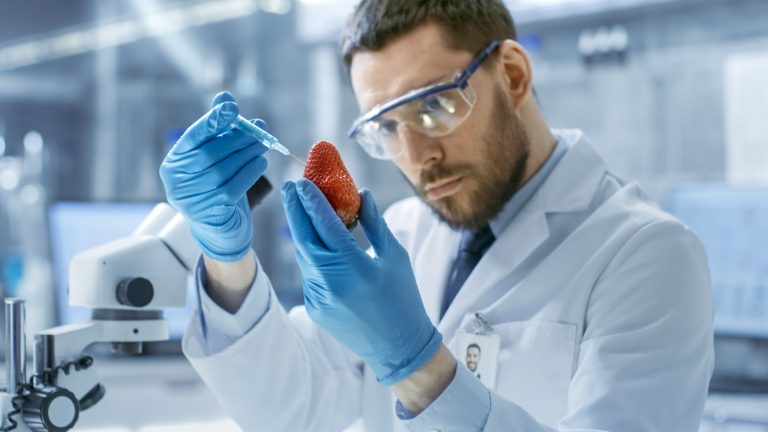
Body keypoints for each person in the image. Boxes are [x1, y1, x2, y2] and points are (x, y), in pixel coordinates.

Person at [159, 0, 714, 430]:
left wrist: (416, 367)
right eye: (385, 127)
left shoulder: (649, 254)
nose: (416, 156)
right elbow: (288, 409)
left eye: (434, 106)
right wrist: (225, 257)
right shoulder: (403, 232)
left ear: (514, 76)